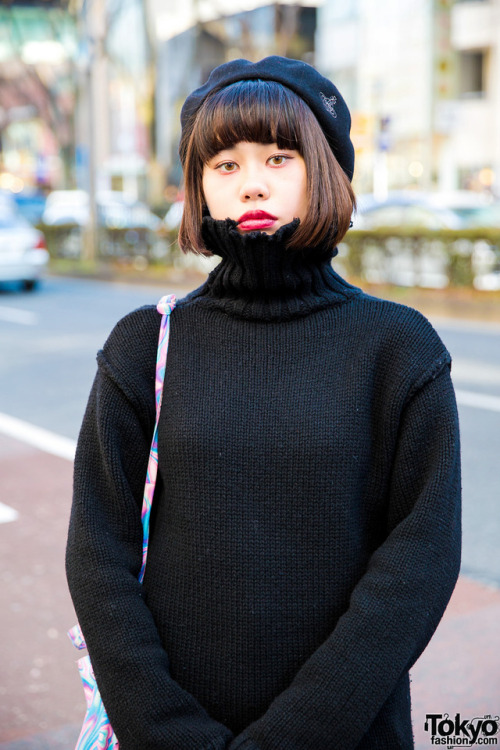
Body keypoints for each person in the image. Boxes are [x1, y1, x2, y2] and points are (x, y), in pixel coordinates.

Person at [66, 56, 461, 750]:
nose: (251, 183)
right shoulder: (143, 346)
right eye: (223, 165)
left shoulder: (399, 349)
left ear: (324, 170)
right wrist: (168, 733)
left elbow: (419, 562)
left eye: (279, 157)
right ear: (198, 189)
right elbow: (98, 553)